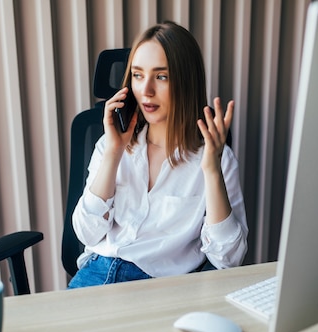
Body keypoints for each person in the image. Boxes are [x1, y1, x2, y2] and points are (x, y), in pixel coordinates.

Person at [68, 21, 248, 288]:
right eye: (138, 75)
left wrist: (211, 170)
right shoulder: (110, 146)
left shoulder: (217, 160)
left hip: (161, 286)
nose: (146, 91)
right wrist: (114, 154)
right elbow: (87, 233)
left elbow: (228, 260)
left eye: (161, 77)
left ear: (186, 83)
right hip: (97, 272)